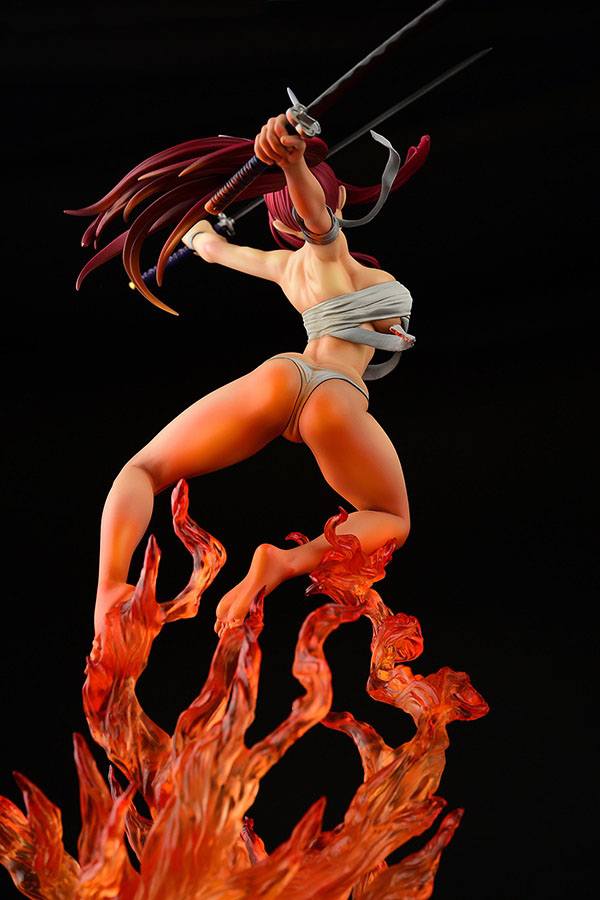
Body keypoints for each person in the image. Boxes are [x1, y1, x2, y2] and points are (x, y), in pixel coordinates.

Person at [68, 111, 430, 638]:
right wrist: (293, 164)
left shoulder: (287, 266)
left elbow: (224, 250)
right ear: (337, 201)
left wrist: (196, 236)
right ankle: (283, 562)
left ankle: (108, 587)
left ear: (277, 226)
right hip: (337, 394)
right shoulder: (343, 261)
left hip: (285, 375)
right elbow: (319, 224)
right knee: (390, 517)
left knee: (142, 469)